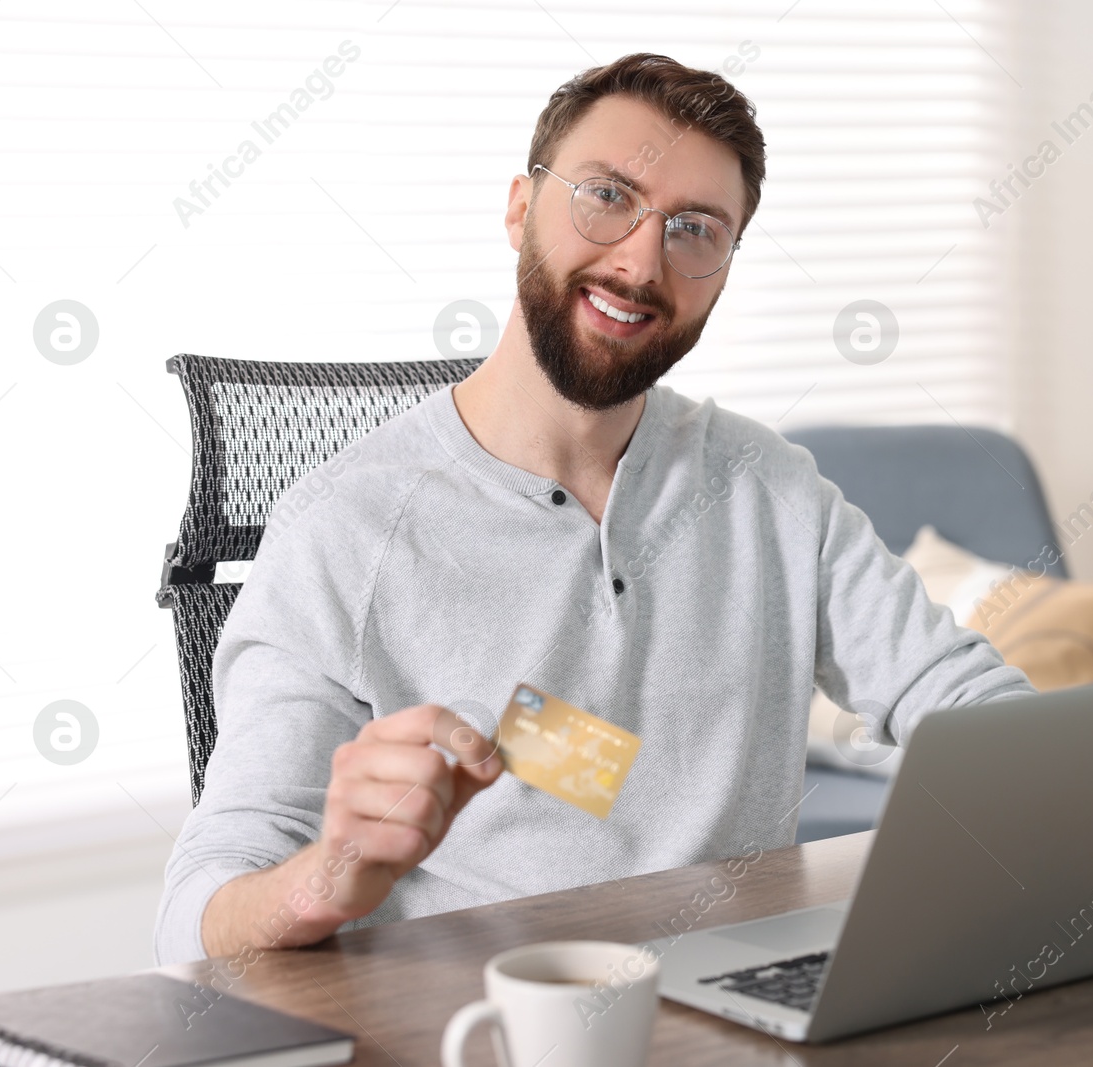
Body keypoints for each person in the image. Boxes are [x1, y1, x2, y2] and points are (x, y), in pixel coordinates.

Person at [153, 52, 1033, 966]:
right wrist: (325, 875)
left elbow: (966, 700)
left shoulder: (771, 490)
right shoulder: (343, 530)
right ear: (517, 208)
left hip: (743, 1007)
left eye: (695, 229)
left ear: (723, 273)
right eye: (607, 196)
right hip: (491, 1027)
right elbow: (193, 924)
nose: (641, 260)